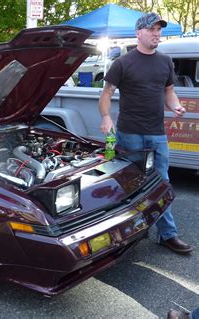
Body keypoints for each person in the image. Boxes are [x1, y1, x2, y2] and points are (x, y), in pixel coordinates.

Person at [98, 12, 193, 254]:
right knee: (129, 185)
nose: (157, 33)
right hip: (129, 134)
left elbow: (169, 92)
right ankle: (128, 232)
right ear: (139, 32)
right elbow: (107, 93)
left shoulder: (165, 62)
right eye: (152, 29)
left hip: (157, 133)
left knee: (161, 183)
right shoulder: (123, 63)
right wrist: (106, 117)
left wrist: (176, 105)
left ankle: (167, 234)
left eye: (159, 29)